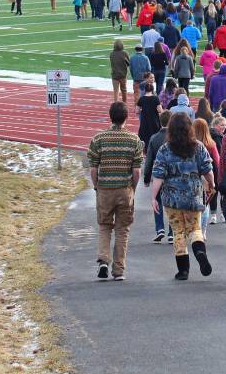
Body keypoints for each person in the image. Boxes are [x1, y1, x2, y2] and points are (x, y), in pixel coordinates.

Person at [151, 114, 216, 281]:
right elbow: (208, 170)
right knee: (195, 229)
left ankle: (183, 271)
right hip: (193, 196)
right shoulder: (199, 147)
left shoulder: (165, 149)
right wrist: (211, 185)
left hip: (171, 199)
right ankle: (201, 254)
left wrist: (153, 197)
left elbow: (158, 175)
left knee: (178, 232)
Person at [88, 101, 144, 281]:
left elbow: (93, 169)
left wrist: (96, 186)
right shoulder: (134, 140)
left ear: (110, 116)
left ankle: (103, 260)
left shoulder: (98, 139)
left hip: (104, 188)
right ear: (126, 117)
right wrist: (133, 188)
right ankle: (118, 270)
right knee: (122, 229)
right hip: (124, 189)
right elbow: (136, 171)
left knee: (105, 226)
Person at [143, 110, 172, 242]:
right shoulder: (174, 137)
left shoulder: (154, 138)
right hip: (172, 174)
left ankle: (160, 228)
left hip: (157, 174)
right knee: (172, 202)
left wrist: (146, 177)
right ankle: (172, 231)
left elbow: (148, 159)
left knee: (157, 200)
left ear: (160, 122)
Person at [135, 82, 163, 149]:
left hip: (145, 120)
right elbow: (160, 110)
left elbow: (137, 111)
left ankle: (145, 148)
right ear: (153, 90)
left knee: (144, 135)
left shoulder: (141, 99)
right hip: (154, 120)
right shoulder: (156, 98)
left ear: (145, 90)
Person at [108, 40, 130, 105]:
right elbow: (128, 63)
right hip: (123, 74)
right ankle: (124, 104)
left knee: (116, 91)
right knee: (124, 90)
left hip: (114, 74)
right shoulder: (125, 53)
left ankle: (116, 104)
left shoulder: (111, 54)